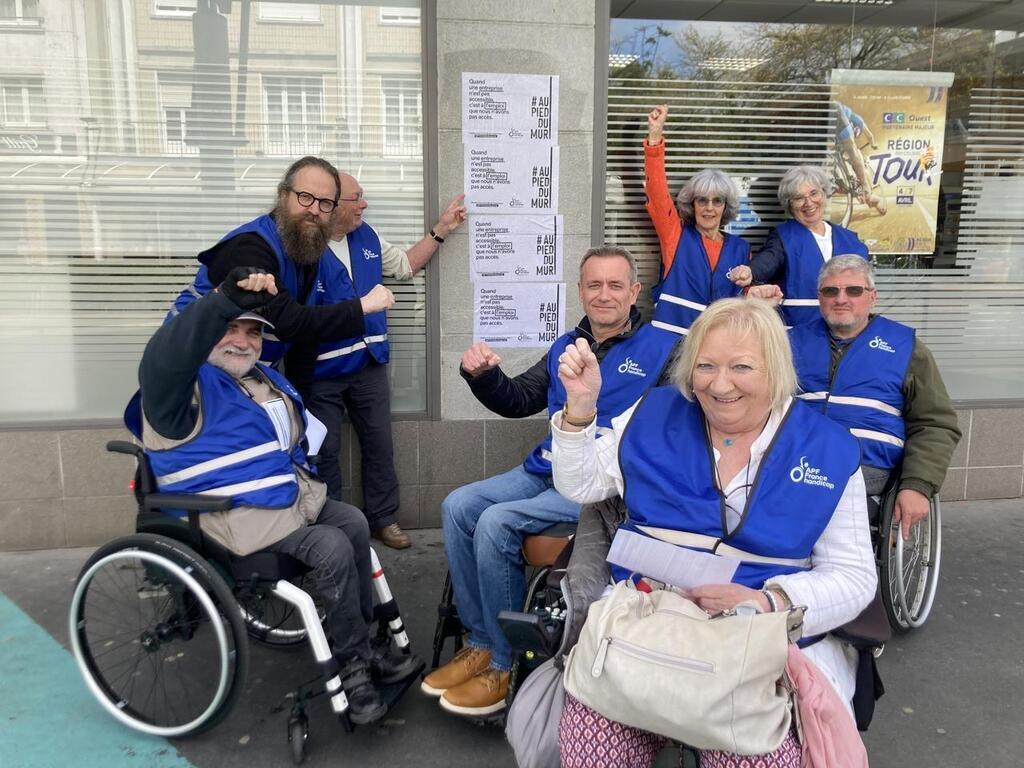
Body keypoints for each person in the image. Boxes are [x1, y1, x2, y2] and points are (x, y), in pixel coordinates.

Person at [551, 298, 876, 767]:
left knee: (755, 755)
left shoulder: (827, 450)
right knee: (589, 745)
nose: (719, 385)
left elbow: (852, 576)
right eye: (705, 365)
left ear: (776, 369)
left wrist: (772, 601)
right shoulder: (652, 413)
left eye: (741, 366)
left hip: (753, 642)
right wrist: (580, 411)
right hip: (645, 626)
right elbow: (580, 484)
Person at [138, 268, 417, 725]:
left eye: (253, 332)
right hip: (225, 523)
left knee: (351, 522)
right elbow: (165, 355)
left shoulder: (259, 380)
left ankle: (362, 645)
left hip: (281, 504)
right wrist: (224, 299)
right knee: (328, 546)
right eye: (230, 328)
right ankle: (353, 667)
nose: (243, 341)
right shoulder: (177, 389)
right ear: (205, 333)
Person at [421, 246, 679, 718]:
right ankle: (479, 640)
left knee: (496, 522)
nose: (604, 295)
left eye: (615, 285)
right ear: (580, 290)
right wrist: (482, 376)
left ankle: (504, 664)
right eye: (594, 285)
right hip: (543, 469)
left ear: (635, 291)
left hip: (600, 486)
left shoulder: (664, 349)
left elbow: (667, 431)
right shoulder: (566, 344)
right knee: (458, 505)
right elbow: (519, 398)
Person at [307, 173, 467, 550]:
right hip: (321, 371)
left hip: (368, 364)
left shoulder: (368, 236)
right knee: (325, 451)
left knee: (379, 444)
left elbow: (406, 265)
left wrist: (441, 229)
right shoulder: (305, 244)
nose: (364, 205)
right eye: (357, 198)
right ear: (331, 203)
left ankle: (384, 519)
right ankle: (337, 529)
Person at [166, 155, 396, 397]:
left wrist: (302, 409)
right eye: (305, 197)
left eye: (326, 203)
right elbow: (288, 322)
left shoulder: (307, 250)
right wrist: (362, 306)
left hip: (243, 381)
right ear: (283, 196)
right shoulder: (250, 247)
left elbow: (304, 341)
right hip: (191, 380)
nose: (315, 210)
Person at [788, 256, 961, 537]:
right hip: (795, 459)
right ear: (819, 297)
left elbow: (935, 424)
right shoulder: (789, 342)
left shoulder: (907, 348)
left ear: (872, 297)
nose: (841, 299)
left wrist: (918, 484)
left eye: (853, 291)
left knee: (814, 493)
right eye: (831, 291)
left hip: (866, 466)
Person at [644, 103, 749, 336]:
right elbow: (657, 194)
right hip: (671, 350)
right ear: (692, 204)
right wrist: (655, 138)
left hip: (719, 350)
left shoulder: (741, 249)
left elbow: (748, 299)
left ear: (726, 206)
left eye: (717, 201)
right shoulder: (676, 235)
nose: (709, 208)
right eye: (702, 200)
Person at [730, 164, 869, 327]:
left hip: (846, 331)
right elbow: (769, 259)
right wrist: (750, 272)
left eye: (814, 193)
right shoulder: (784, 236)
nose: (808, 203)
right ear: (789, 205)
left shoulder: (851, 240)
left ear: (824, 194)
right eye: (799, 198)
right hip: (799, 331)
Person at [835, 100, 887, 215]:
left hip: (840, 139)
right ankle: (861, 188)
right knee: (851, 153)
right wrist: (873, 144)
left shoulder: (849, 124)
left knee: (854, 159)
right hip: (838, 131)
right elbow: (869, 135)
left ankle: (866, 190)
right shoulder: (855, 118)